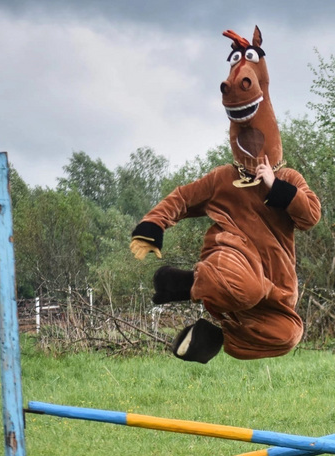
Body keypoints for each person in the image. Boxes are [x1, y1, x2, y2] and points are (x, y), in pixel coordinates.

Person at [129, 26, 321, 364]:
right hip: (232, 265)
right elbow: (183, 198)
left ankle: (216, 332)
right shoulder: (223, 179)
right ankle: (190, 283)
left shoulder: (288, 177)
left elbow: (310, 217)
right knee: (243, 285)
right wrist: (153, 224)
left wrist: (274, 186)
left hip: (272, 287)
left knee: (287, 334)